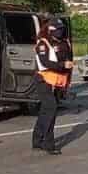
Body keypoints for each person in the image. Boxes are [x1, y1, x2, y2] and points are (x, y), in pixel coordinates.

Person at [33, 18, 73, 155]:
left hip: (57, 82)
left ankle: (37, 140)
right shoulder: (43, 43)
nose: (60, 32)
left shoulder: (65, 43)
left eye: (61, 29)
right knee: (51, 109)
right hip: (44, 80)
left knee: (45, 111)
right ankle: (48, 143)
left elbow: (69, 61)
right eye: (57, 29)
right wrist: (63, 65)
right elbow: (45, 62)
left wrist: (67, 81)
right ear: (50, 29)